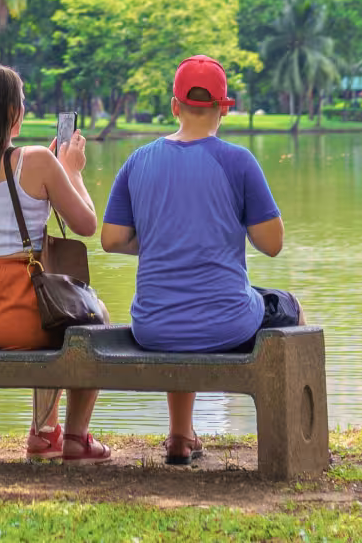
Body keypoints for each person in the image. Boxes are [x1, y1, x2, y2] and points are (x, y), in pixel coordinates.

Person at [100, 56, 287, 467]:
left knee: (181, 301)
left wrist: (162, 241)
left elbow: (111, 239)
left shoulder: (138, 160)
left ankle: (181, 436)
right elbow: (271, 244)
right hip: (227, 323)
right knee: (286, 306)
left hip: (153, 326)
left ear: (174, 106)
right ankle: (287, 436)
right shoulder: (238, 161)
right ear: (224, 109)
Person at [0, 62, 112, 463]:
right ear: (12, 113)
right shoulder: (36, 160)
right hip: (16, 309)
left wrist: (56, 172)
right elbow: (86, 224)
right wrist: (72, 172)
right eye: (21, 103)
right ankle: (75, 437)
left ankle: (44, 432)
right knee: (89, 316)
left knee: (52, 310)